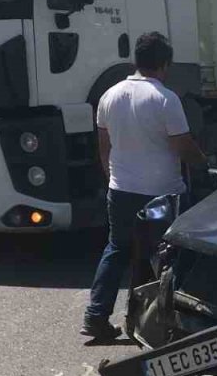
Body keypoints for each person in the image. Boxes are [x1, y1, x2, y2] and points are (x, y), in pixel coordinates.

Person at [83, 32, 207, 342]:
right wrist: (205, 165)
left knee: (116, 249)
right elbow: (183, 147)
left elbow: (103, 147)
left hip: (121, 189)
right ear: (165, 64)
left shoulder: (109, 96)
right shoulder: (165, 99)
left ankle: (96, 316)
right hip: (162, 193)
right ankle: (156, 322)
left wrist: (111, 179)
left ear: (135, 60)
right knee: (166, 257)